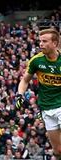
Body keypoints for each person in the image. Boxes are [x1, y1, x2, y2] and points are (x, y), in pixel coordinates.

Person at [18, 27, 61, 160]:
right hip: (47, 108)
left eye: (44, 41)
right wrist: (20, 94)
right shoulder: (36, 60)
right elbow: (25, 80)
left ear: (55, 43)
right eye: (40, 41)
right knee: (58, 151)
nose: (40, 44)